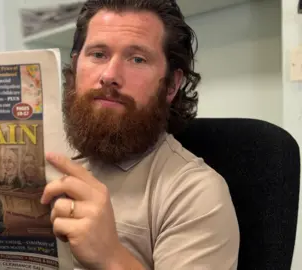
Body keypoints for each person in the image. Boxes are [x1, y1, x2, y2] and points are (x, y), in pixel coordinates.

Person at [40, 1, 240, 269]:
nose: (110, 75)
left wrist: (111, 256)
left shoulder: (195, 194)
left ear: (171, 84)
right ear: (76, 67)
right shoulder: (46, 157)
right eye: (98, 54)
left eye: (137, 59)